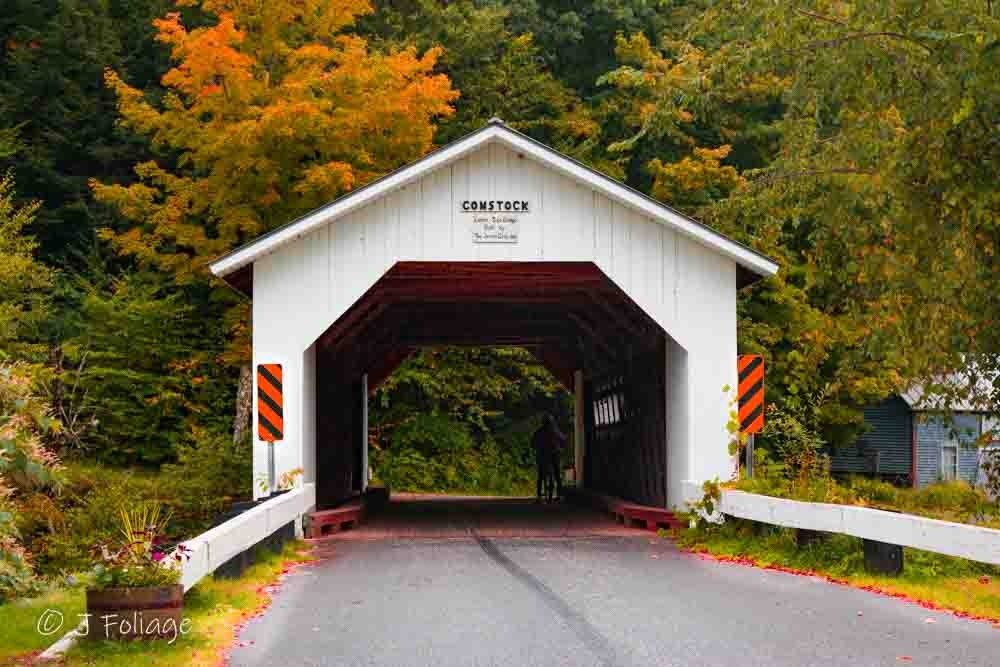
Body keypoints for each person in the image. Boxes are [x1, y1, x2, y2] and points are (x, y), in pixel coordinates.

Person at [532, 414, 566, 502]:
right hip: (555, 455)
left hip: (543, 455)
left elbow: (532, 443)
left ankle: (539, 496)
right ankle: (560, 495)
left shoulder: (539, 431)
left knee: (540, 474)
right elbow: (563, 439)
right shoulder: (555, 430)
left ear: (542, 423)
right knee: (557, 474)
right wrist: (561, 448)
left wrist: (536, 448)